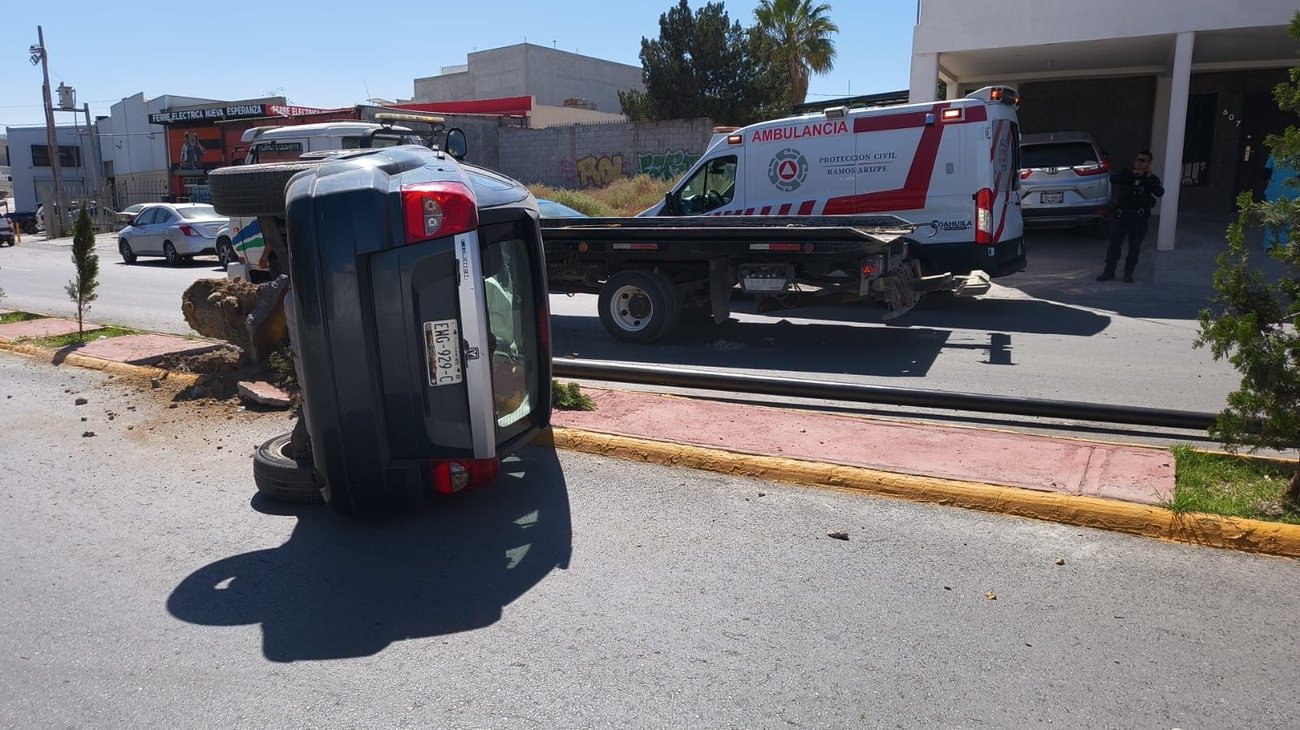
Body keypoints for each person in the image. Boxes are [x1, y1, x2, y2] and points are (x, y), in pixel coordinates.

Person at [1098, 149, 1164, 283]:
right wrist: (1132, 174)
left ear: (1148, 163)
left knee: (1134, 247)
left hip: (1139, 217)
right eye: (1137, 160)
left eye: (1143, 161)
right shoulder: (1126, 174)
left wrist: (1148, 177)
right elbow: (1113, 178)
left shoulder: (1151, 179)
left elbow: (1159, 192)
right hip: (1122, 215)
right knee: (1114, 246)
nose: (1139, 163)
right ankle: (1109, 272)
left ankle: (1128, 274)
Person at [1262, 153, 1297, 250]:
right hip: (1293, 194)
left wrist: (1273, 186)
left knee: (1271, 219)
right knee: (1288, 220)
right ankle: (1285, 246)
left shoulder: (1274, 155)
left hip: (1274, 192)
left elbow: (1266, 174)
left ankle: (1269, 245)